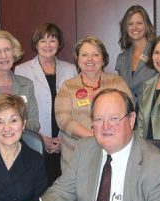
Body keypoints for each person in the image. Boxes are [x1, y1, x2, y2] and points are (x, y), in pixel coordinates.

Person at [31, 88, 160, 201]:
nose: (106, 126)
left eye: (114, 118)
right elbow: (63, 190)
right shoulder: (85, 149)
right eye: (98, 119)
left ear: (131, 120)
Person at [55, 35, 133, 172]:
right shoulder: (67, 87)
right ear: (77, 59)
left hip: (114, 154)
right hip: (76, 157)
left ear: (103, 60)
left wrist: (105, 137)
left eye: (95, 55)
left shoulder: (117, 82)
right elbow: (63, 120)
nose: (90, 59)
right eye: (84, 55)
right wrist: (95, 136)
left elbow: (128, 113)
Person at [15, 23, 77, 186]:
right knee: (39, 186)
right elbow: (20, 110)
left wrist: (64, 138)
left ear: (59, 43)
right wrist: (40, 137)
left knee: (64, 186)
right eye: (43, 40)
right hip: (36, 139)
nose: (48, 45)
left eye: (52, 40)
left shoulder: (70, 69)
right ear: (36, 44)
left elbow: (76, 107)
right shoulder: (22, 70)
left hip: (65, 140)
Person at [115, 5, 156, 109]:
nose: (135, 27)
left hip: (152, 116)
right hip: (129, 116)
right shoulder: (121, 58)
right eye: (130, 24)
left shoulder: (157, 53)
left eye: (139, 23)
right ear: (125, 27)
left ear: (146, 25)